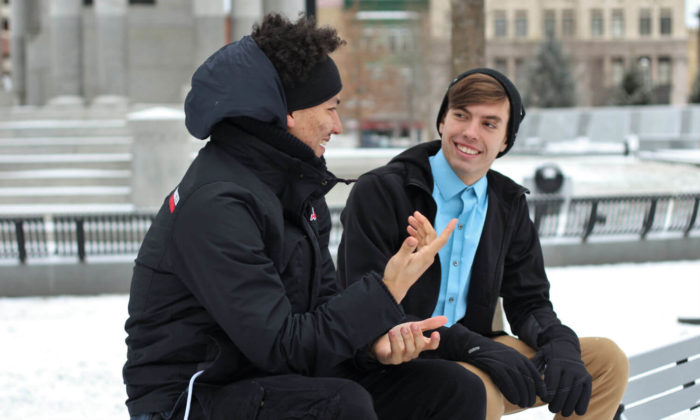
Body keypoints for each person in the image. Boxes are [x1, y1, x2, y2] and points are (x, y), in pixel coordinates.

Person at [123, 14, 488, 420]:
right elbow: (282, 345)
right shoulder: (217, 205)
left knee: (453, 389)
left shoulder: (296, 190)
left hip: (272, 377)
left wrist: (374, 342)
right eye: (330, 108)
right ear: (289, 113)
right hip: (193, 397)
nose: (338, 124)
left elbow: (319, 311)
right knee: (340, 407)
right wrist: (386, 290)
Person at [337, 68, 630, 420]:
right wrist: (472, 346)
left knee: (606, 361)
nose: (470, 133)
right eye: (461, 116)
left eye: (490, 124)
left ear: (506, 140)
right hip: (399, 356)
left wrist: (559, 342)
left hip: (478, 349)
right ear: (442, 121)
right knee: (477, 388)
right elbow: (363, 305)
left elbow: (529, 300)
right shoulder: (384, 192)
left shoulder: (506, 203)